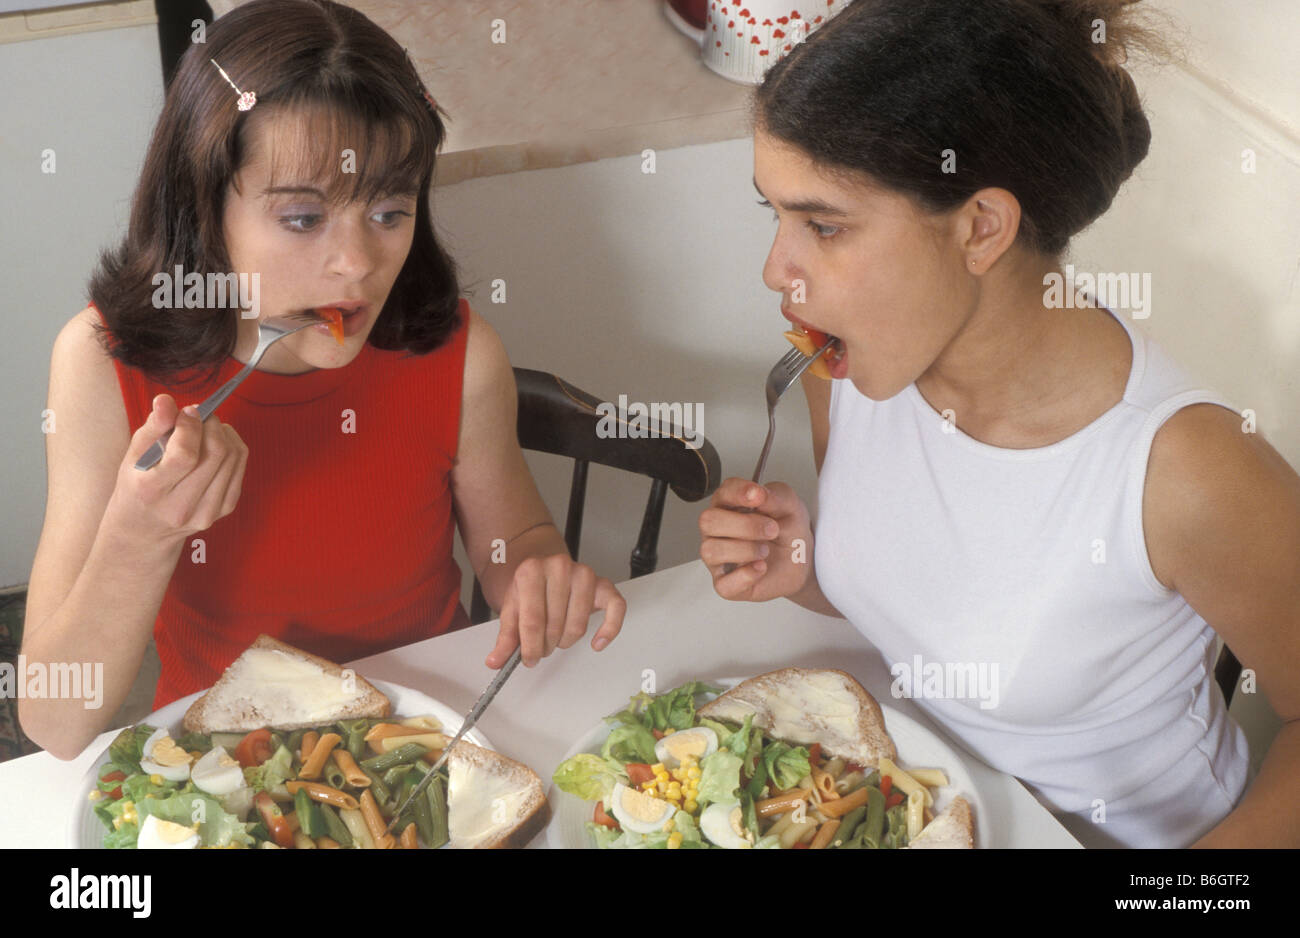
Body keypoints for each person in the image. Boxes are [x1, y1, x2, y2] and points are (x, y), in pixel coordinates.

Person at [699, 0, 1300, 848]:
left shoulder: (1189, 469)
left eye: (823, 226)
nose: (776, 270)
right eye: (777, 216)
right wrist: (807, 568)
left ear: (981, 227)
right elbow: (945, 616)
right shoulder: (851, 368)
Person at [20, 0, 625, 761]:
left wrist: (538, 581)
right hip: (224, 764)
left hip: (419, 742)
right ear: (205, 207)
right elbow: (54, 723)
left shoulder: (459, 353)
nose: (358, 265)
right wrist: (139, 536)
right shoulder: (103, 361)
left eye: (390, 212)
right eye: (304, 219)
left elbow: (516, 544)